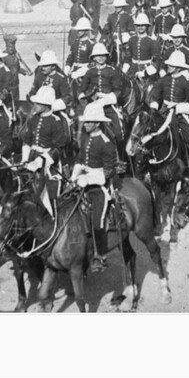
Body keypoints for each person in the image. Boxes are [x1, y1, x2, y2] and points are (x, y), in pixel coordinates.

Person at [72, 102, 118, 272]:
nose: (86, 124)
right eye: (85, 122)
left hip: (99, 187)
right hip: (82, 180)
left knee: (97, 222)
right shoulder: (85, 138)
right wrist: (74, 177)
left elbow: (108, 171)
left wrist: (89, 179)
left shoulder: (105, 143)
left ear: (98, 123)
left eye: (89, 122)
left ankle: (101, 256)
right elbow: (80, 159)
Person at [148, 50, 189, 170]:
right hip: (164, 111)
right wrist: (154, 106)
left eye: (172, 65)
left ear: (179, 68)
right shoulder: (164, 79)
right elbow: (155, 94)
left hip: (179, 113)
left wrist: (180, 107)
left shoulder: (186, 82)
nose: (169, 66)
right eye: (169, 64)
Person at [21, 86, 70, 201]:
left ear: (46, 105)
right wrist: (24, 159)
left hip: (49, 163)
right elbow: (27, 140)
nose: (34, 106)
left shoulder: (55, 121)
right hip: (31, 158)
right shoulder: (33, 119)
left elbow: (58, 148)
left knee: (51, 195)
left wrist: (40, 161)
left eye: (38, 103)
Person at [78, 42, 123, 144]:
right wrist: (83, 99)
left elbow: (117, 90)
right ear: (93, 57)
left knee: (118, 131)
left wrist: (106, 100)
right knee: (79, 129)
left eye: (103, 55)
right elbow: (81, 89)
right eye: (98, 55)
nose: (101, 58)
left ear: (107, 57)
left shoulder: (112, 71)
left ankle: (120, 156)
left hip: (107, 105)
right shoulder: (90, 72)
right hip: (92, 104)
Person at [126, 13, 159, 77]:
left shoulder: (151, 41)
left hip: (147, 70)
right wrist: (124, 71)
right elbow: (127, 57)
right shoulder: (132, 39)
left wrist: (145, 73)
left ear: (147, 26)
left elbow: (156, 60)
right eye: (138, 25)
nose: (140, 27)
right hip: (133, 70)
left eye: (143, 25)